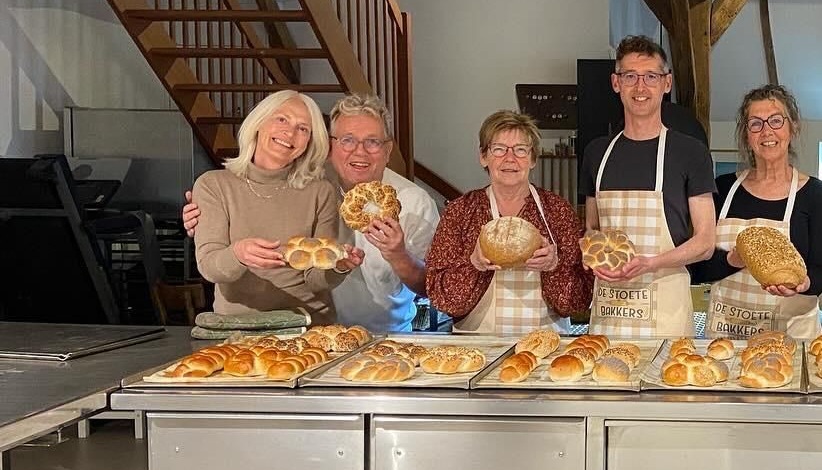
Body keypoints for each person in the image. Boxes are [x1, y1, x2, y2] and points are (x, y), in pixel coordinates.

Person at [184, 94, 440, 333]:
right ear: (330, 145)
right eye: (348, 140)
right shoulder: (314, 182)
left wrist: (395, 255)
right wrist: (209, 225)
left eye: (372, 142)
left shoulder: (411, 203)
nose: (359, 151)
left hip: (378, 333)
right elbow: (213, 260)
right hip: (278, 329)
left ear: (387, 149)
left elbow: (433, 286)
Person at [580, 35, 717, 338]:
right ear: (616, 83)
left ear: (666, 83)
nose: (640, 87)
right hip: (610, 312)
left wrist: (651, 263)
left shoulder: (690, 152)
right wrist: (593, 256)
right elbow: (592, 228)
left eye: (651, 76)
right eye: (630, 76)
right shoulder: (597, 153)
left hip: (666, 315)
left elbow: (706, 242)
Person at [190, 89, 362, 324]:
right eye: (281, 119)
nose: (290, 133)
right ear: (259, 123)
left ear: (310, 142)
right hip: (238, 328)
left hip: (309, 326)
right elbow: (210, 267)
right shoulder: (213, 185)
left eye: (303, 129)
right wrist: (238, 254)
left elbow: (315, 279)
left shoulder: (321, 191)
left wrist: (338, 267)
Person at [690, 85, 822, 339]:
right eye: (756, 123)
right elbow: (698, 268)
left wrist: (803, 283)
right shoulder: (722, 188)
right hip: (728, 337)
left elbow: (821, 273)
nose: (767, 131)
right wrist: (733, 260)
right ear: (747, 135)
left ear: (793, 127)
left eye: (776, 121)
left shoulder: (816, 193)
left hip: (790, 337)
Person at [426, 110, 590, 333]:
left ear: (533, 159)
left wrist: (553, 266)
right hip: (478, 345)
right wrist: (474, 265)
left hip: (545, 344)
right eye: (499, 149)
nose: (510, 158)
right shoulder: (461, 212)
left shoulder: (557, 211)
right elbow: (442, 300)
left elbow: (578, 303)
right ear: (483, 156)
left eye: (520, 150)